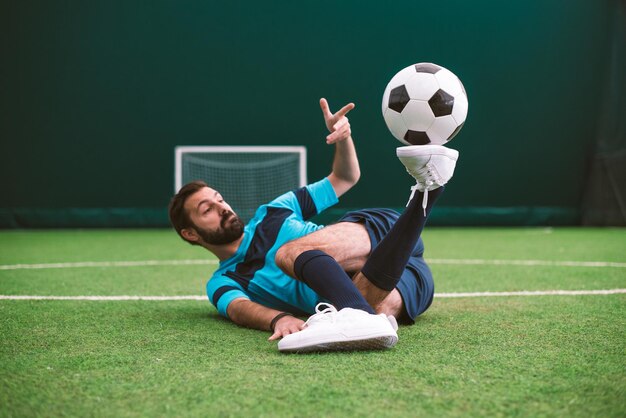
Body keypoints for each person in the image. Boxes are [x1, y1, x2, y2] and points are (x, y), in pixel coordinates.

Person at [168, 98, 458, 353]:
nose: (222, 207)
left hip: (379, 233)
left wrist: (343, 137)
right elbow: (239, 309)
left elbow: (344, 178)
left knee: (288, 253)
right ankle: (428, 191)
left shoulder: (273, 211)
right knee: (373, 315)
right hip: (407, 282)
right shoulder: (224, 281)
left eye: (219, 199)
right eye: (207, 209)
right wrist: (278, 319)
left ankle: (353, 309)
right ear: (190, 233)